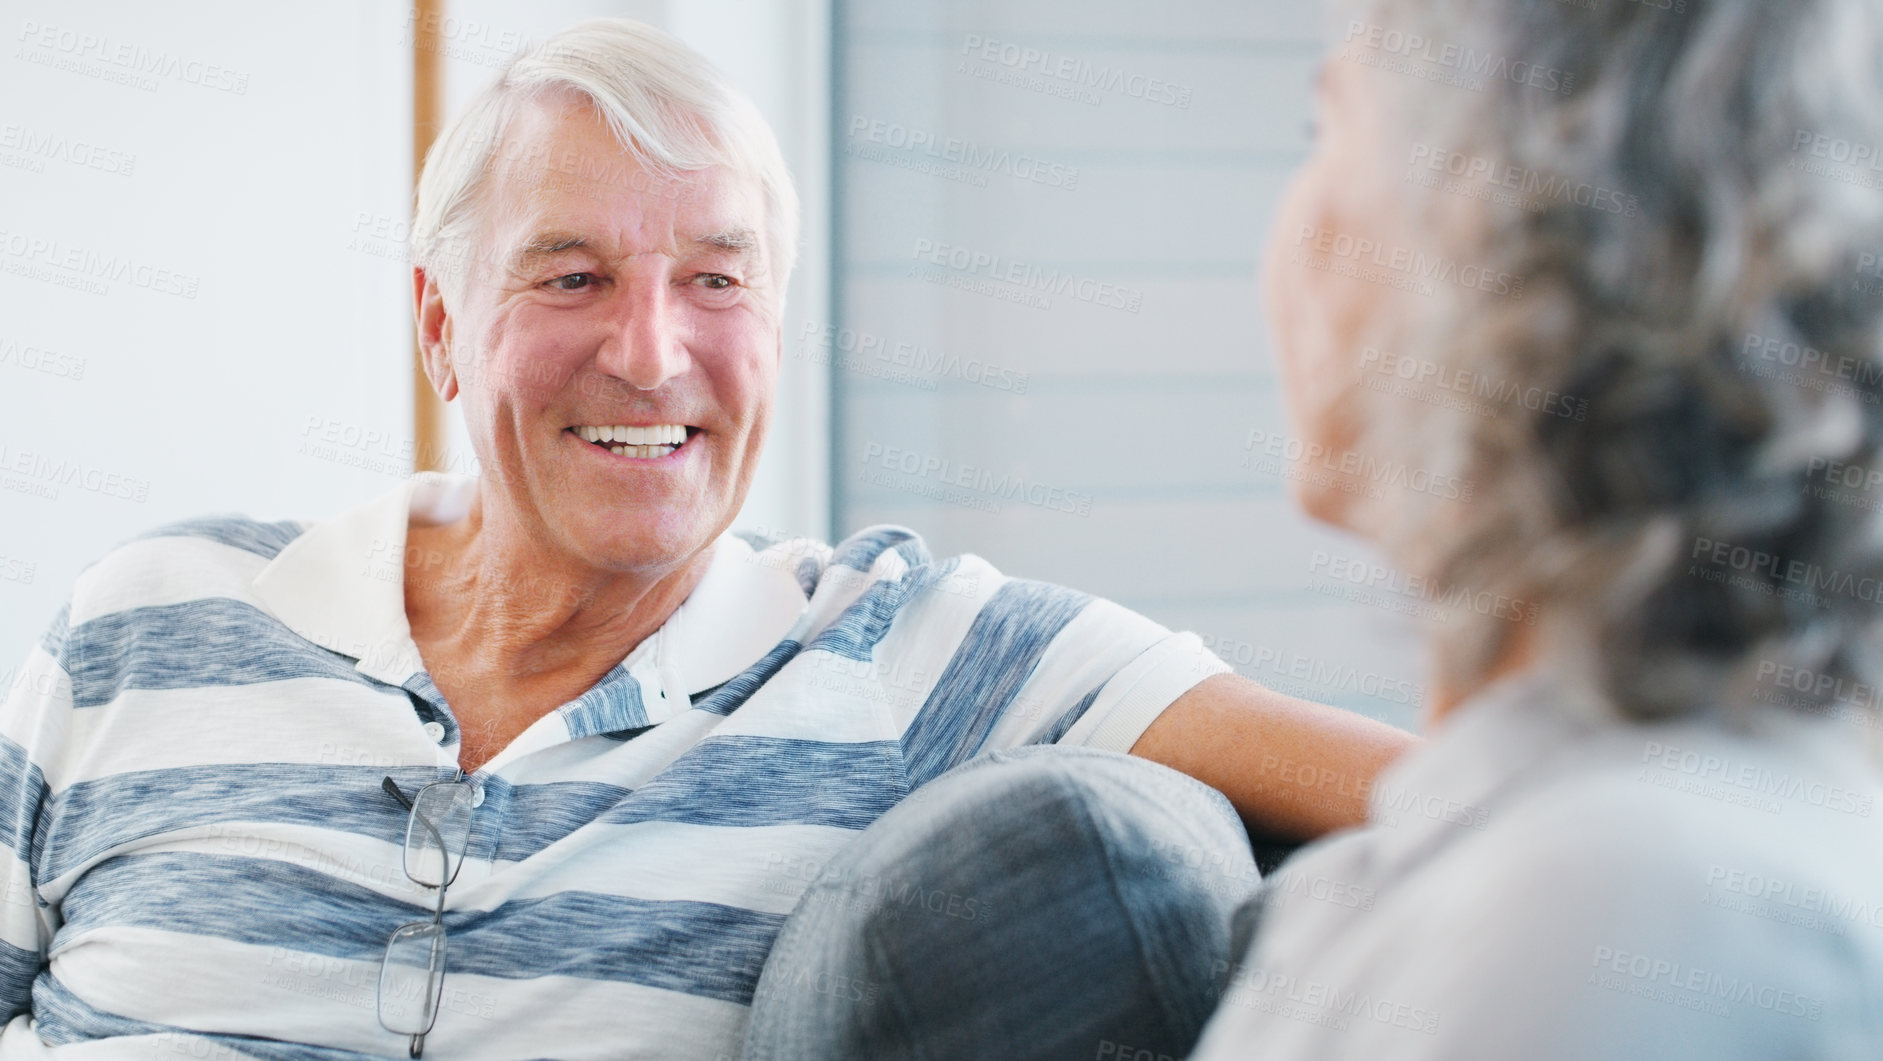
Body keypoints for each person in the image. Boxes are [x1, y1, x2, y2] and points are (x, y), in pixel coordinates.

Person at [0, 18, 1413, 1059]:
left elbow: (1455, 793)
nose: (648, 350)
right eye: (572, 274)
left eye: (714, 279)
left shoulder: (902, 649)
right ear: (441, 328)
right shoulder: (146, 620)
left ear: (778, 334)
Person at [1182, 0, 1883, 1058]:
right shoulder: (1559, 843)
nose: (1297, 228)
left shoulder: (1632, 907)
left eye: (1325, 136)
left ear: (1506, 241)